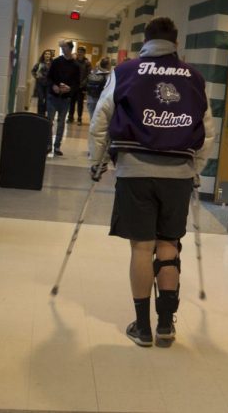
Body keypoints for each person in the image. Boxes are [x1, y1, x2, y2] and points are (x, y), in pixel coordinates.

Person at [89, 17, 215, 348]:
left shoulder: (126, 71)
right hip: (178, 172)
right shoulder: (194, 77)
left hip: (135, 171)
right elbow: (208, 131)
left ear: (146, 40)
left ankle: (142, 327)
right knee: (168, 244)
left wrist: (96, 161)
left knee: (142, 247)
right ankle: (166, 326)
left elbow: (101, 120)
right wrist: (195, 167)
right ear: (177, 43)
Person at [45, 41, 79, 156]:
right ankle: (48, 145)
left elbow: (77, 84)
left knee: (61, 123)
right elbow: (48, 78)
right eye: (62, 47)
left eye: (65, 47)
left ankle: (57, 146)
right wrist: (53, 85)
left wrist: (70, 88)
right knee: (49, 121)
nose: (63, 49)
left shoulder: (75, 65)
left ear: (70, 48)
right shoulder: (56, 62)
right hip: (52, 97)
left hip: (65, 99)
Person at [68, 46, 91, 125]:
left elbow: (89, 75)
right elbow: (70, 73)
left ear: (84, 53)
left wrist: (83, 84)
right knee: (72, 102)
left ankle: (79, 118)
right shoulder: (73, 61)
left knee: (80, 103)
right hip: (73, 85)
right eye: (78, 51)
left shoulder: (87, 63)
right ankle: (70, 117)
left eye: (81, 52)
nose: (79, 53)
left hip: (82, 86)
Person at [31, 50, 52, 117]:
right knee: (40, 99)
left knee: (47, 100)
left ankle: (44, 113)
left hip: (48, 84)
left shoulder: (52, 64)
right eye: (46, 54)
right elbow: (33, 71)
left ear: (51, 56)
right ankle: (40, 114)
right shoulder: (39, 64)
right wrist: (36, 76)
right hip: (40, 84)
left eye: (49, 54)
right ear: (43, 55)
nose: (47, 55)